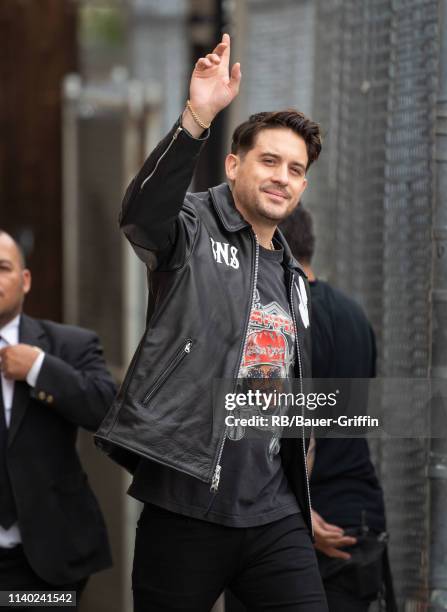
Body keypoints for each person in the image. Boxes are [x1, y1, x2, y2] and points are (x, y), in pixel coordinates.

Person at [96, 34, 328, 611]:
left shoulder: (292, 278)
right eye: (269, 161)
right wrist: (198, 116)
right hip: (187, 501)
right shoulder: (193, 226)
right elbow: (141, 216)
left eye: (295, 169)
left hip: (275, 511)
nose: (281, 177)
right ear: (234, 163)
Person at [279, 206, 397, 612]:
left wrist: (296, 513)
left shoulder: (276, 323)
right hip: (355, 516)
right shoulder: (354, 315)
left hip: (296, 525)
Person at [0, 230, 116, 608]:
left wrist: (40, 369)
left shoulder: (70, 345)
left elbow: (108, 413)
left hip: (43, 563)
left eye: (2, 268)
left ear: (25, 280)